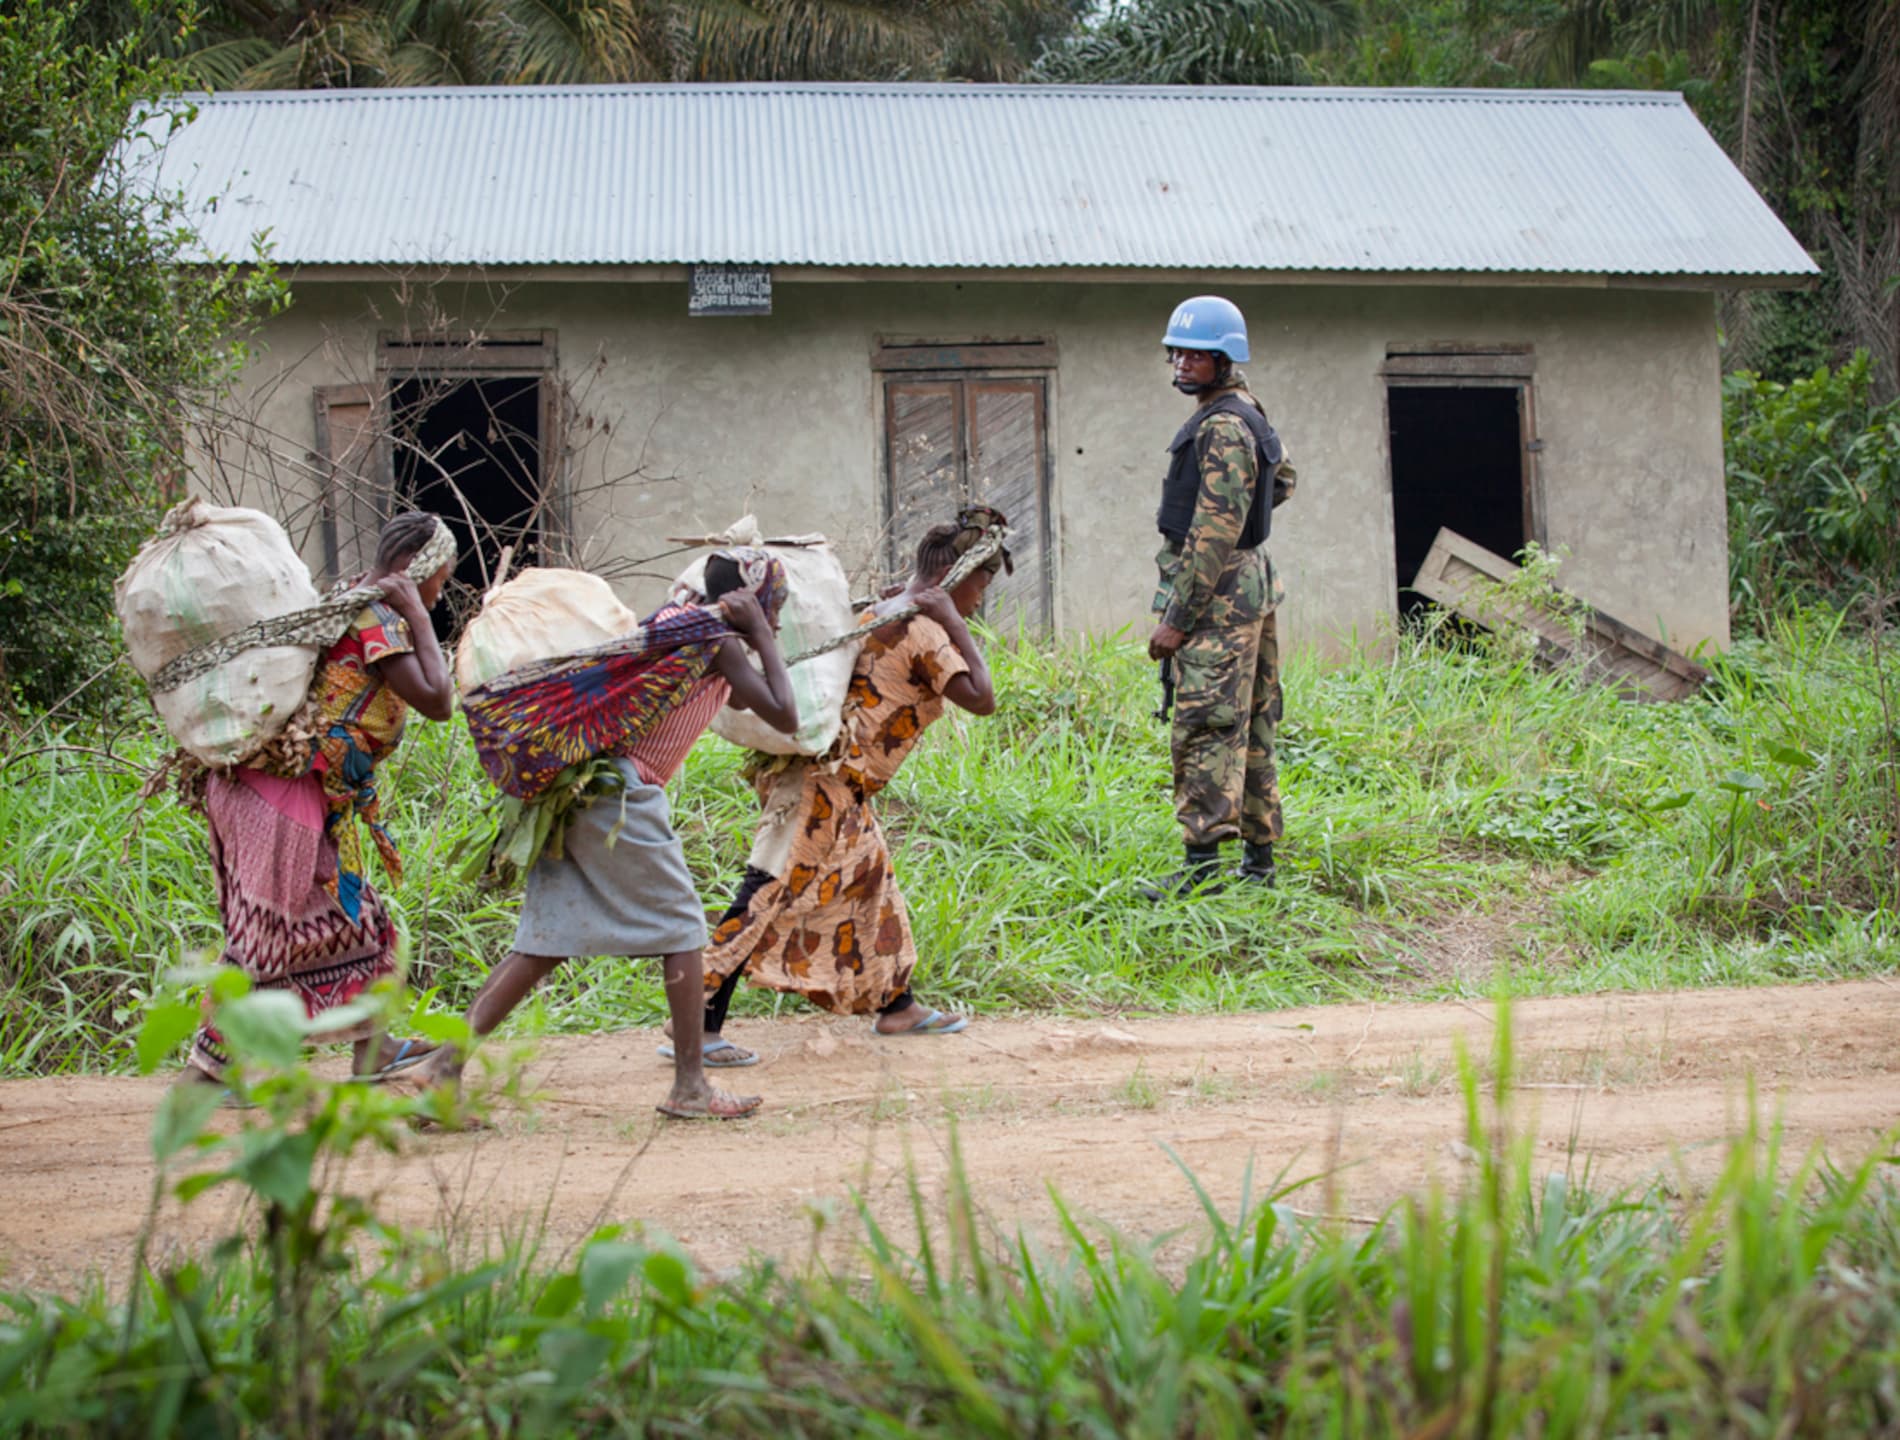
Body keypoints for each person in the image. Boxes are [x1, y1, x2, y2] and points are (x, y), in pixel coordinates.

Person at [407, 549, 799, 1121]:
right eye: (775, 607)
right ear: (750, 601)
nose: (778, 620)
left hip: (580, 786)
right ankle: (691, 1087)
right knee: (683, 928)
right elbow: (785, 713)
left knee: (545, 940)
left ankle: (442, 1069)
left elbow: (741, 695)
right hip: (621, 794)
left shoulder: (681, 626)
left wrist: (755, 635)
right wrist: (761, 634)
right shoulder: (714, 640)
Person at [687, 509, 1006, 1066]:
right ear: (956, 578)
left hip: (839, 783)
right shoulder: (927, 629)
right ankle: (698, 1026)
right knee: (765, 891)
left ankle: (897, 1004)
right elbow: (982, 698)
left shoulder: (875, 609)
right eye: (981, 583)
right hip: (824, 786)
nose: (981, 598)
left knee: (871, 881)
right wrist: (955, 622)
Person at [181, 511, 458, 1090]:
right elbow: (438, 700)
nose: (441, 592)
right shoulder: (379, 618)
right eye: (442, 579)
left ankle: (375, 1049)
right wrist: (417, 616)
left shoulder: (348, 596)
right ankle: (207, 1074)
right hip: (279, 796)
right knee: (265, 933)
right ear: (419, 571)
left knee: (360, 923)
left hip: (283, 792)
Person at [1142, 296, 1296, 899]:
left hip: (1218, 601)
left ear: (1225, 358)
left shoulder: (1225, 425)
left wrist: (1176, 619)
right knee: (1253, 726)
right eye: (1175, 352)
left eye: (1195, 355)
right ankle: (1259, 867)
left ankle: (1202, 873)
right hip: (1248, 589)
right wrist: (1243, 523)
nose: (1181, 363)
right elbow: (1282, 480)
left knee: (1206, 727)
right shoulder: (1243, 412)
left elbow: (1210, 534)